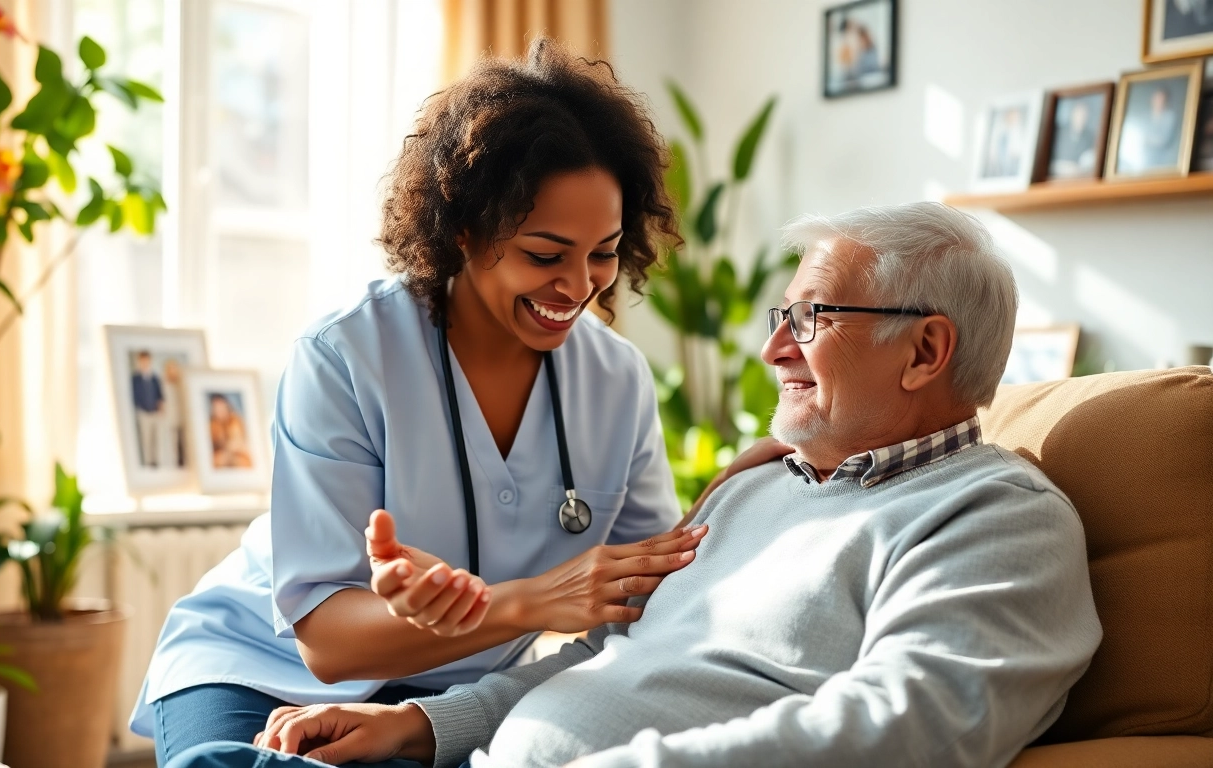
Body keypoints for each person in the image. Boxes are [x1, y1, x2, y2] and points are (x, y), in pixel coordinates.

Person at [169, 202, 1103, 768]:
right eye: (783, 315)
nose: (773, 347)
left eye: (811, 319)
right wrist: (423, 725)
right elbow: (604, 656)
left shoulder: (993, 519)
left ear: (927, 350)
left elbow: (910, 730)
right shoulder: (759, 492)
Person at [131, 38, 789, 765]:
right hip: (257, 671)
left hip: (441, 700)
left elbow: (641, 596)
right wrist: (532, 601)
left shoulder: (615, 381)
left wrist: (731, 499)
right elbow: (325, 640)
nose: (579, 287)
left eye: (601, 251)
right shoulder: (348, 356)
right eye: (545, 254)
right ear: (466, 229)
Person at [132, 350, 165, 468]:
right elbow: (134, 396)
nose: (144, 363)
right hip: (143, 413)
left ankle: (156, 462)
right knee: (146, 439)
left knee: (155, 438)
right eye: (142, 361)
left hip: (154, 412)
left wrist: (160, 407)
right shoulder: (135, 379)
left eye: (146, 360)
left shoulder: (155, 378)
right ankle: (148, 463)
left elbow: (160, 395)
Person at [209, 393, 254, 469]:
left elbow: (237, 443)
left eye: (221, 406)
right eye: (216, 408)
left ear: (227, 406)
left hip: (238, 455)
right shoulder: (212, 425)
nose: (219, 410)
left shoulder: (235, 421)